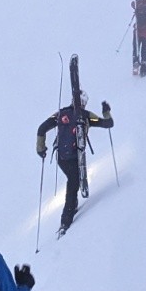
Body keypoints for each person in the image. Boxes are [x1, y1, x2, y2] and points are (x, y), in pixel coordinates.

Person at [36, 93, 113, 234]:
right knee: (73, 182)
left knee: (73, 180)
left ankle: (73, 206)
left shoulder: (60, 114)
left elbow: (41, 129)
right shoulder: (86, 115)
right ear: (84, 102)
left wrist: (40, 148)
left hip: (61, 157)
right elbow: (108, 124)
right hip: (76, 156)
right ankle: (65, 221)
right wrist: (106, 111)